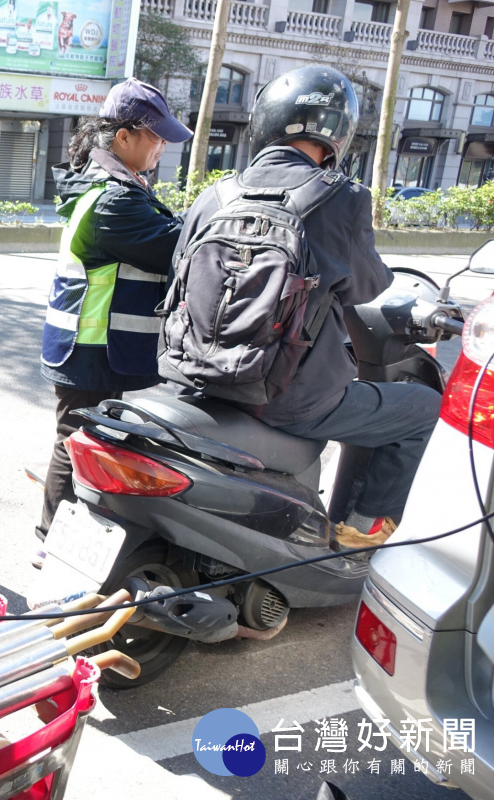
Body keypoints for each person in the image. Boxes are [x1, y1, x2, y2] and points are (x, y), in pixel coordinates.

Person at [177, 66, 441, 549]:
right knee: (423, 408)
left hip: (192, 378)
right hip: (285, 399)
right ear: (337, 135)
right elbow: (368, 285)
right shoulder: (343, 199)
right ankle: (361, 531)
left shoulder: (214, 196)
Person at [35, 78, 192, 565]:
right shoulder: (114, 201)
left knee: (86, 438)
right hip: (93, 347)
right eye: (156, 136)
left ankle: (67, 532)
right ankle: (50, 539)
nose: (163, 146)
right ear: (123, 136)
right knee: (78, 439)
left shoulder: (116, 185)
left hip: (93, 344)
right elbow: (179, 246)